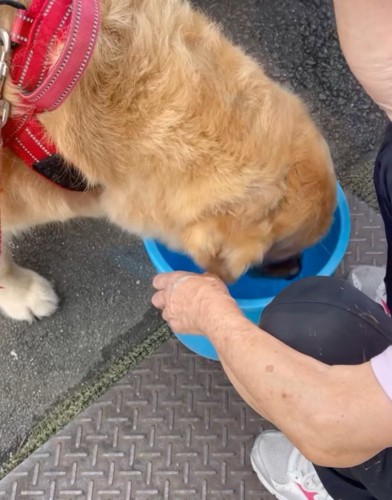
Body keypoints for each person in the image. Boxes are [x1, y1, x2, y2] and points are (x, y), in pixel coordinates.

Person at [151, 1, 392, 499]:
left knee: (305, 325)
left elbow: (332, 420)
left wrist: (213, 315)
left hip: (349, 423)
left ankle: (344, 485)